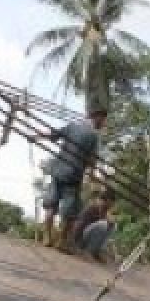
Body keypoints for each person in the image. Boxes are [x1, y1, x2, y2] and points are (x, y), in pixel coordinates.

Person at [42, 107, 106, 250]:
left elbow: (54, 135)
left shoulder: (72, 126)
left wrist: (37, 135)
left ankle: (47, 237)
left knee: (51, 206)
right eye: (103, 120)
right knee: (70, 213)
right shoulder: (93, 136)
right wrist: (92, 175)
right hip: (73, 175)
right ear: (97, 117)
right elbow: (92, 160)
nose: (103, 124)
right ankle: (62, 243)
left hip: (57, 171)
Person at [71, 188, 116, 261]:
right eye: (112, 202)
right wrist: (76, 243)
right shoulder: (93, 207)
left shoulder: (105, 210)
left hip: (88, 236)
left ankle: (97, 252)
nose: (112, 205)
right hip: (80, 238)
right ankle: (87, 251)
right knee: (103, 224)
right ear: (108, 200)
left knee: (113, 225)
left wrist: (109, 220)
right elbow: (79, 226)